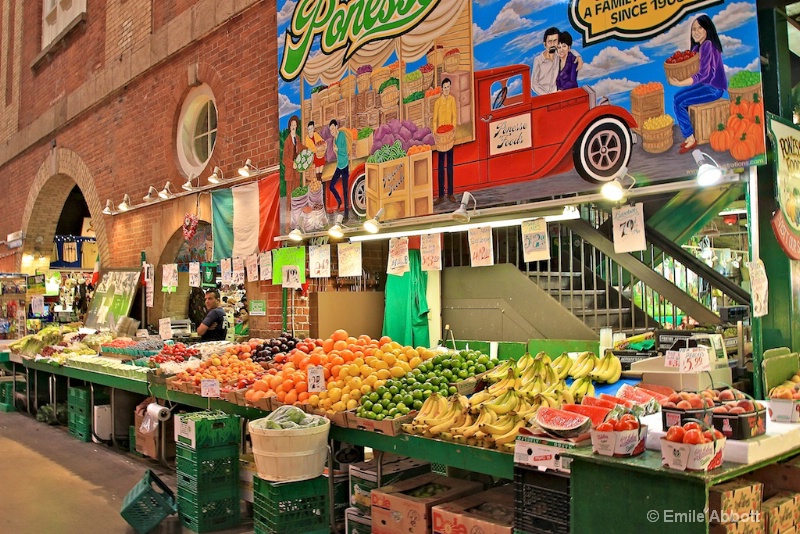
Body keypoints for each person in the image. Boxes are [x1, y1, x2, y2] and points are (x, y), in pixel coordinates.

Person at [668, 14, 727, 154]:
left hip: (714, 88)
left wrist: (680, 83)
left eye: (700, 27)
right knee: (677, 97)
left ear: (707, 29)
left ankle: (690, 138)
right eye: (694, 29)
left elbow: (703, 75)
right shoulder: (697, 48)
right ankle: (690, 136)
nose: (696, 31)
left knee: (680, 102)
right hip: (705, 86)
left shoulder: (707, 45)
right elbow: (690, 66)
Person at [532, 27, 583, 95]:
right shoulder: (538, 60)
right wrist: (547, 96)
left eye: (555, 41)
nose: (553, 44)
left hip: (557, 95)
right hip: (543, 97)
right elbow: (534, 84)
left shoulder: (558, 56)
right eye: (550, 42)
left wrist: (579, 57)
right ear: (545, 44)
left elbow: (567, 50)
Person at [432, 78, 457, 205]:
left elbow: (454, 116)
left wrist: (452, 129)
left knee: (450, 167)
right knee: (441, 167)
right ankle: (441, 195)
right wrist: (436, 132)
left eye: (448, 87)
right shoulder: (437, 103)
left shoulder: (452, 100)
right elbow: (435, 119)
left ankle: (450, 194)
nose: (446, 89)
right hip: (441, 138)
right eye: (445, 87)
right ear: (442, 88)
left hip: (449, 136)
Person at [329, 119, 351, 219]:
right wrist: (335, 151)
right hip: (339, 165)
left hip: (345, 166)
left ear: (336, 127)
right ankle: (338, 199)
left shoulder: (341, 135)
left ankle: (346, 214)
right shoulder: (334, 140)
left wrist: (338, 150)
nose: (332, 131)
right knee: (331, 186)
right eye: (330, 130)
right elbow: (337, 155)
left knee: (345, 190)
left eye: (333, 129)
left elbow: (345, 151)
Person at [282, 115, 301, 226]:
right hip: (290, 173)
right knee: (289, 199)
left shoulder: (297, 139)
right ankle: (288, 225)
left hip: (297, 172)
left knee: (297, 197)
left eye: (295, 125)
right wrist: (292, 164)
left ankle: (297, 222)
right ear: (289, 127)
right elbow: (284, 159)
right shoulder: (287, 141)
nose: (293, 127)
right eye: (292, 125)